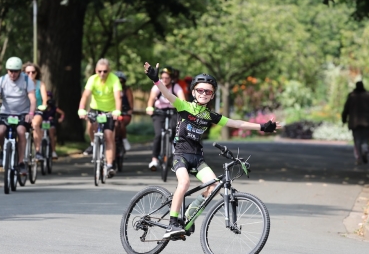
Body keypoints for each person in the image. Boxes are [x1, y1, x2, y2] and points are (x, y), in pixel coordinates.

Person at [144, 62, 281, 239]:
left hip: (197, 158)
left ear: (212, 95)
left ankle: (188, 218)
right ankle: (172, 223)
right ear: (193, 92)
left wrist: (262, 126)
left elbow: (237, 123)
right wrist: (156, 79)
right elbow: (167, 94)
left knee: (213, 187)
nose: (203, 94)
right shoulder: (184, 106)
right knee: (184, 183)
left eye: (207, 91)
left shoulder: (210, 116)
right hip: (180, 156)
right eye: (200, 90)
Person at [0, 57, 36, 175]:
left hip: (22, 113)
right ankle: (3, 150)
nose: (13, 74)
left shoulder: (26, 80)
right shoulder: (2, 80)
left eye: (15, 71)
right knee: (0, 131)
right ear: (7, 70)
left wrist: (30, 114)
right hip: (5, 112)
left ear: (20, 71)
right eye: (10, 71)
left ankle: (21, 162)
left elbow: (33, 99)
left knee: (21, 131)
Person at [78, 58, 122, 178]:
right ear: (96, 70)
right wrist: (81, 109)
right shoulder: (92, 79)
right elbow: (85, 95)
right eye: (99, 71)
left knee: (108, 136)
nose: (102, 74)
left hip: (110, 111)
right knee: (91, 125)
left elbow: (118, 98)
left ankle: (109, 165)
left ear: (109, 71)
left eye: (105, 71)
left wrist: (117, 111)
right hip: (95, 109)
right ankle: (93, 144)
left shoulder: (114, 79)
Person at [146, 66, 186, 170]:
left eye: (167, 78)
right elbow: (151, 99)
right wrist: (150, 107)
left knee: (175, 131)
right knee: (158, 134)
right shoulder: (156, 86)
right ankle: (154, 159)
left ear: (171, 78)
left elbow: (182, 99)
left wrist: (184, 108)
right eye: (162, 77)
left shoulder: (176, 87)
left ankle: (175, 154)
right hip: (159, 112)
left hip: (173, 111)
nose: (164, 80)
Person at [342, 81, 369, 165]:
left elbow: (346, 109)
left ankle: (359, 158)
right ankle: (365, 150)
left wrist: (344, 119)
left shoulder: (352, 96)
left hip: (355, 123)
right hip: (367, 123)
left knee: (357, 140)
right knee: (365, 139)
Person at [22, 62, 48, 161]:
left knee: (35, 124)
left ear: (37, 73)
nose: (30, 74)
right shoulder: (21, 84)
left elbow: (44, 98)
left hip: (37, 110)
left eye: (33, 72)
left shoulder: (40, 84)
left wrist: (44, 105)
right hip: (24, 111)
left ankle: (37, 151)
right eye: (28, 72)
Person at [42, 91, 65, 159]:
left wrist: (61, 119)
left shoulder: (54, 108)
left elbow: (62, 113)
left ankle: (53, 151)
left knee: (52, 134)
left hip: (51, 123)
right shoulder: (42, 107)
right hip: (43, 123)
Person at [114, 71, 133, 151]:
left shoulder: (127, 90)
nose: (119, 84)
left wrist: (130, 110)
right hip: (113, 112)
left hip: (124, 113)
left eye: (121, 82)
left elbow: (131, 102)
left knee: (120, 123)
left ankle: (124, 140)